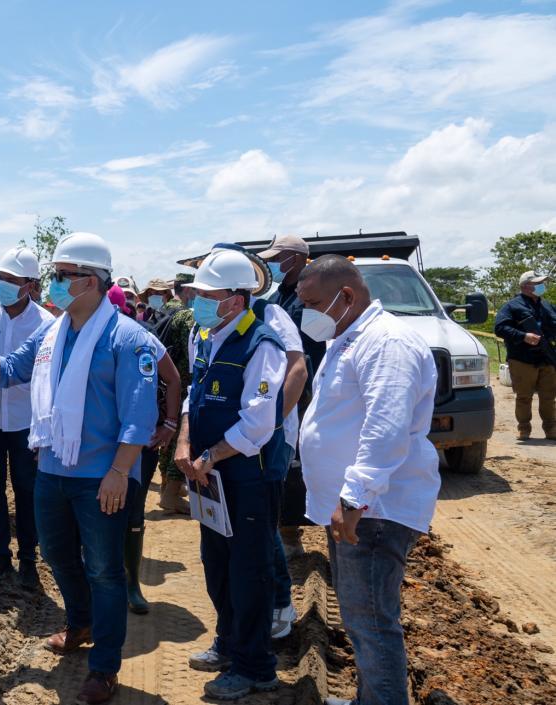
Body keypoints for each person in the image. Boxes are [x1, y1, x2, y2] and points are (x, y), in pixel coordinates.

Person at [0, 232, 167, 705]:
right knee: (57, 556)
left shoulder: (128, 338)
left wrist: (119, 472)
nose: (54, 283)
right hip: (52, 468)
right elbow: (6, 372)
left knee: (106, 570)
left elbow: (139, 414)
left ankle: (104, 667)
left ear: (90, 282)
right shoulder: (52, 332)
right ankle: (80, 621)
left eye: (62, 276)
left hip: (100, 476)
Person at [297, 255, 440, 705]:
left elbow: (386, 426)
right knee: (362, 619)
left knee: (372, 620)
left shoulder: (387, 343)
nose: (307, 314)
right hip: (355, 506)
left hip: (374, 510)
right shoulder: (347, 336)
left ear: (347, 296)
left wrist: (354, 497)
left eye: (312, 303)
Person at [174, 249, 289, 701]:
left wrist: (212, 456)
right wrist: (185, 444)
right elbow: (191, 398)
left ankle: (255, 666)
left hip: (248, 479)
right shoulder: (205, 335)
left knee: (250, 572)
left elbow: (259, 424)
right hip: (210, 475)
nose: (197, 301)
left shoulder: (262, 345)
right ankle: (229, 642)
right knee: (216, 564)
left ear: (236, 302)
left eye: (208, 295)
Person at [0, 245, 54, 589]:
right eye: (0, 277)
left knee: (26, 488)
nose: (3, 284)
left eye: (12, 280)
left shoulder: (46, 323)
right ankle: (0, 555)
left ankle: (29, 558)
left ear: (30, 285)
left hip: (25, 422)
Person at [258, 234, 324, 561]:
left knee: (299, 461)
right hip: (282, 388)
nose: (272, 264)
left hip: (306, 392)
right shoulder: (281, 295)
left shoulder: (312, 298)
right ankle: (285, 527)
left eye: (277, 257)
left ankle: (293, 533)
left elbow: (313, 350)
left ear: (296, 259)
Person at [495, 270, 556, 440]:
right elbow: (500, 328)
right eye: (537, 283)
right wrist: (524, 336)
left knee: (549, 397)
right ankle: (524, 428)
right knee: (524, 397)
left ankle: (551, 429)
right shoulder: (511, 306)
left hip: (547, 358)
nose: (541, 286)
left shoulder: (547, 306)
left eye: (541, 283)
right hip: (522, 359)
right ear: (525, 286)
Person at [154, 276, 196, 515]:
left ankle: (167, 487)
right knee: (181, 436)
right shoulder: (186, 316)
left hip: (166, 384)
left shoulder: (163, 309)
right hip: (182, 384)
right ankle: (171, 492)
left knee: (169, 438)